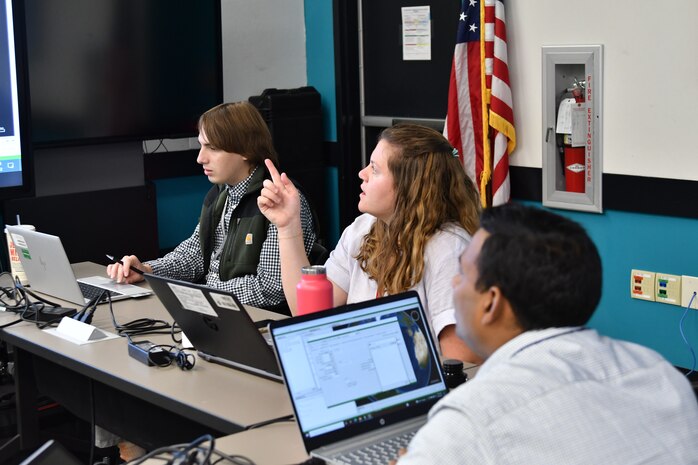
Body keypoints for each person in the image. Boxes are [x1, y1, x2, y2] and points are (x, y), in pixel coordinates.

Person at [396, 203, 698, 464]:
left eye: (461, 274)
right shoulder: (659, 374)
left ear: (491, 303)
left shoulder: (470, 421)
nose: (453, 285)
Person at [258, 123, 482, 363]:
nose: (361, 173)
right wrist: (288, 226)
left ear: (410, 186)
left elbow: (461, 362)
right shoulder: (362, 228)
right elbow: (307, 315)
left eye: (374, 169)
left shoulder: (449, 248)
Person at [107, 101, 317, 310]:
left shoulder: (280, 202)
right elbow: (195, 255)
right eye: (201, 145)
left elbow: (271, 288)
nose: (200, 158)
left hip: (258, 318)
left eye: (212, 148)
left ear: (245, 150)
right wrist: (147, 270)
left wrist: (204, 296)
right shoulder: (220, 194)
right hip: (219, 308)